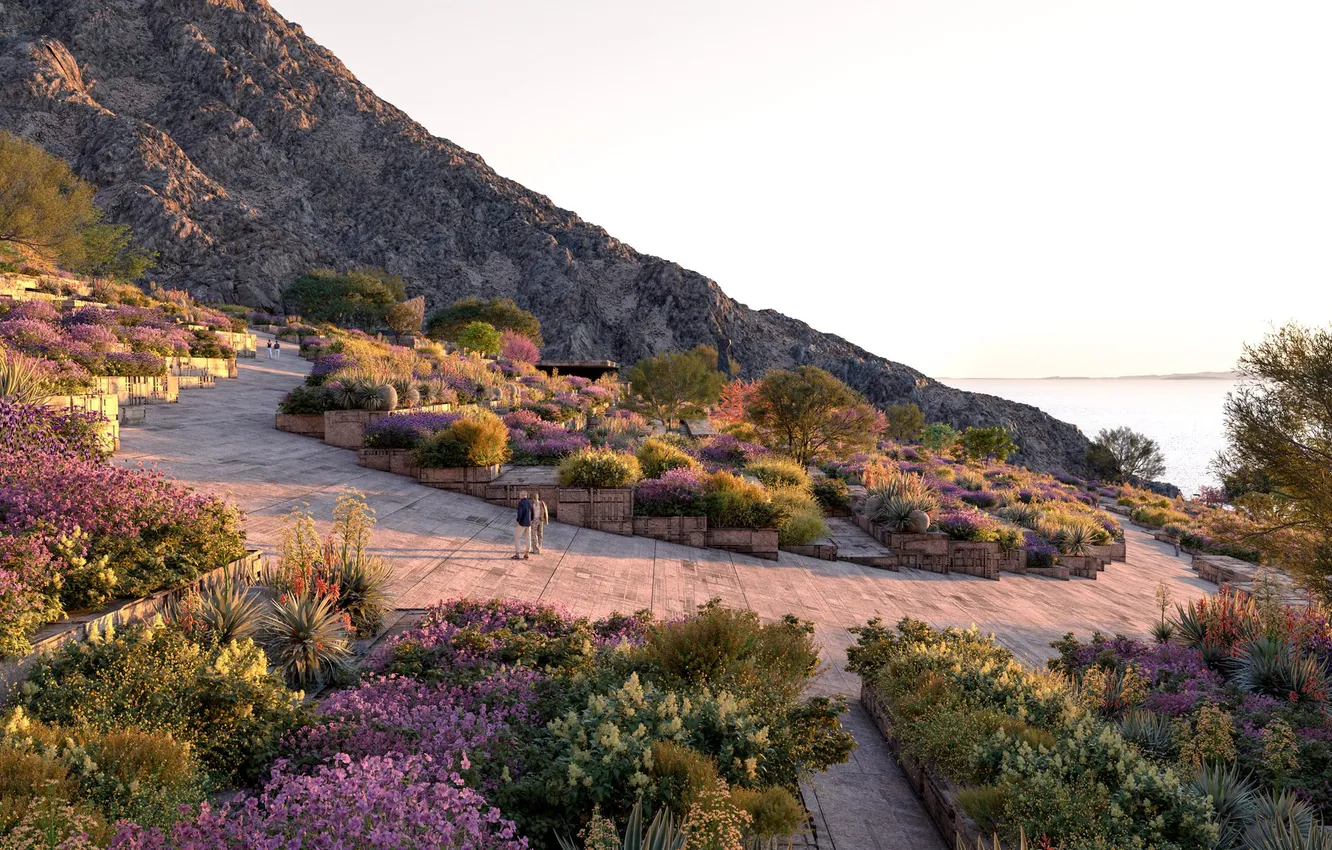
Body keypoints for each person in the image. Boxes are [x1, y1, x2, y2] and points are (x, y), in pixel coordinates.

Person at [513, 491, 533, 559]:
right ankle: (527, 553)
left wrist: (518, 520)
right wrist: (531, 520)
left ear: (522, 496)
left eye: (520, 495)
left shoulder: (521, 503)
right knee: (528, 538)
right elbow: (532, 513)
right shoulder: (529, 503)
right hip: (529, 523)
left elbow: (520, 513)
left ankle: (517, 554)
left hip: (522, 523)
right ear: (526, 496)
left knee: (517, 537)